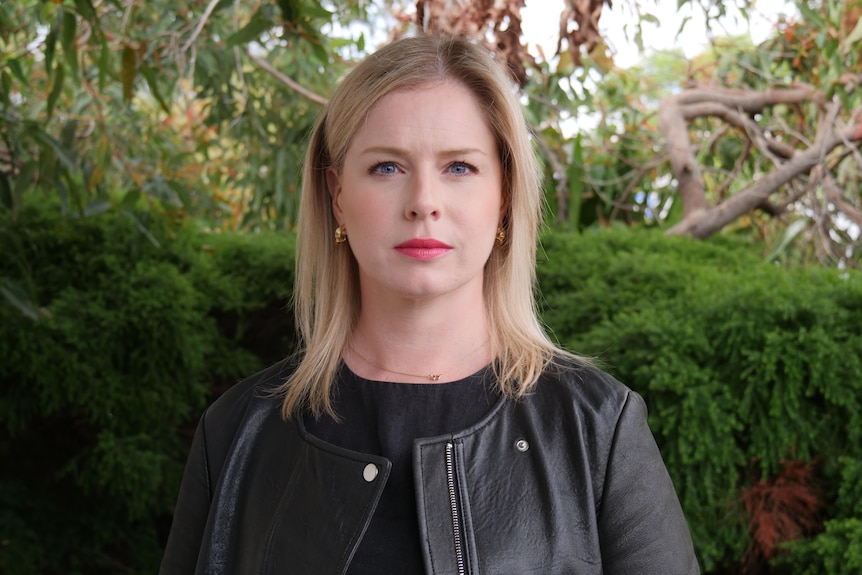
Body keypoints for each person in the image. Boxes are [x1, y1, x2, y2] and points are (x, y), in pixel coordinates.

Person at [159, 33, 700, 574]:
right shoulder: (237, 431)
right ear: (337, 195)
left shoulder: (596, 428)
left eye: (459, 167)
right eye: (387, 167)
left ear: (506, 194)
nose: (423, 203)